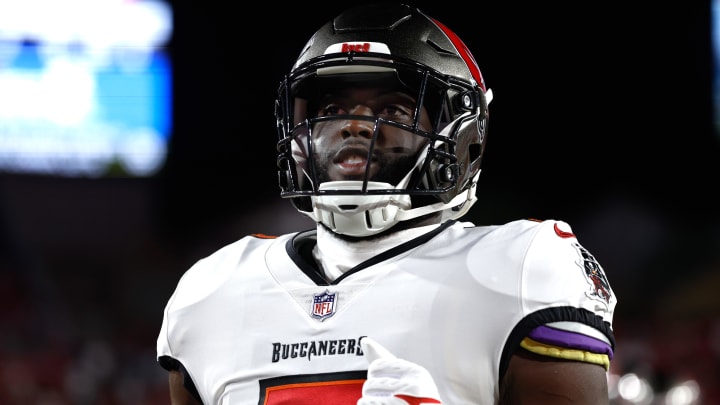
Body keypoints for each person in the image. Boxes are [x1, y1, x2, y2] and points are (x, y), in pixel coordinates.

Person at [156, 3, 618, 404]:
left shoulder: (521, 268)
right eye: (333, 110)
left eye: (393, 110)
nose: (354, 127)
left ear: (462, 138)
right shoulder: (212, 291)